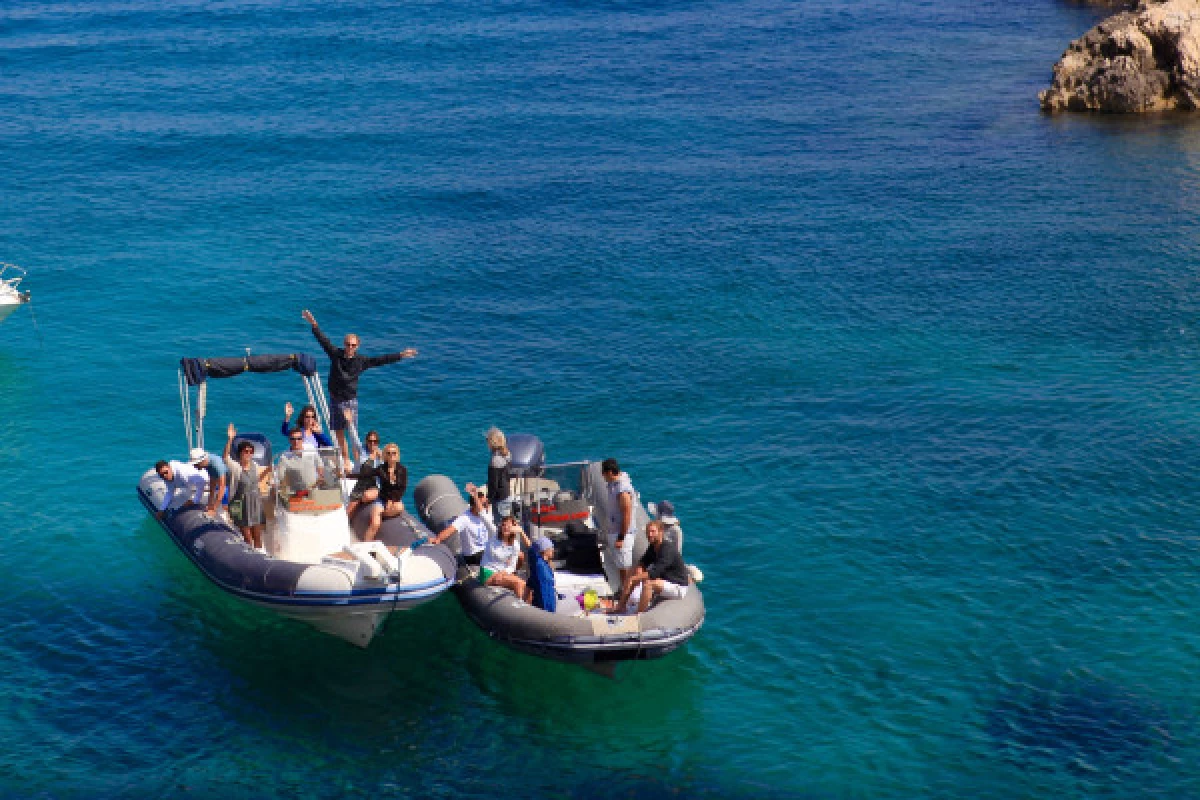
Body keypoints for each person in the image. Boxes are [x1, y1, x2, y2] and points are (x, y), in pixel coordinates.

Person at [301, 309, 417, 471]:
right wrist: (314, 324)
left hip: (350, 402)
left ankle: (358, 464)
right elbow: (323, 341)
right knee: (339, 433)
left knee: (352, 433)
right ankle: (346, 460)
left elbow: (380, 360)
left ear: (357, 346)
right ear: (344, 344)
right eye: (348, 344)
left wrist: (401, 355)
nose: (350, 347)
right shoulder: (336, 355)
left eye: (353, 345)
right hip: (335, 399)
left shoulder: (361, 361)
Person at [617, 520, 690, 613]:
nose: (649, 535)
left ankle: (638, 615)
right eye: (648, 532)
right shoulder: (653, 546)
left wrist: (633, 578)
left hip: (677, 585)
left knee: (648, 585)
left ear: (661, 532)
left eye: (653, 532)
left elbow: (655, 572)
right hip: (664, 581)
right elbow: (644, 561)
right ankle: (621, 606)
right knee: (634, 571)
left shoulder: (667, 549)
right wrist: (639, 569)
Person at [223, 423, 271, 551]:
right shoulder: (236, 467)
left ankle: (261, 556)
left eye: (251, 452)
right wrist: (230, 439)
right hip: (241, 505)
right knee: (248, 537)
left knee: (257, 535)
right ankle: (251, 555)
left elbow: (257, 479)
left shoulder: (255, 465)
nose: (248, 454)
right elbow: (225, 457)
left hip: (255, 504)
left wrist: (270, 470)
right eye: (246, 452)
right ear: (240, 453)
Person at [432, 483, 494, 566]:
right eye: (483, 504)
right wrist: (438, 539)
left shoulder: (486, 513)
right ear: (474, 506)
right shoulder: (465, 518)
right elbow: (450, 530)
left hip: (485, 550)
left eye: (486, 503)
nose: (485, 506)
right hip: (474, 555)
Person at [601, 457, 638, 588]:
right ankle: (623, 590)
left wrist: (621, 537)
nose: (602, 476)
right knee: (620, 564)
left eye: (604, 473)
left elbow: (627, 514)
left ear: (610, 472)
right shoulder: (613, 484)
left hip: (622, 534)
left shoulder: (622, 491)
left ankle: (626, 593)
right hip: (614, 529)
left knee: (624, 567)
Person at [478, 514, 530, 602]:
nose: (505, 527)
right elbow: (483, 515)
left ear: (514, 529)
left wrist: (521, 532)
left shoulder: (515, 544)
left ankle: (529, 609)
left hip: (501, 572)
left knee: (526, 586)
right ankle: (521, 608)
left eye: (509, 526)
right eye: (503, 525)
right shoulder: (493, 534)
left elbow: (512, 566)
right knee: (518, 583)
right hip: (488, 572)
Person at [362, 443, 407, 542]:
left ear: (397, 455)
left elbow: (402, 489)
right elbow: (366, 474)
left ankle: (382, 515)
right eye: (389, 453)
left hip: (395, 499)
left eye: (394, 453)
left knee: (400, 507)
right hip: (382, 499)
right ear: (385, 455)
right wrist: (345, 475)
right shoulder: (381, 469)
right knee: (375, 524)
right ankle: (366, 545)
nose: (391, 456)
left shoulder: (402, 470)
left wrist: (392, 500)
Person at [189, 447, 227, 516]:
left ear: (202, 460)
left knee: (226, 505)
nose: (195, 466)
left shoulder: (217, 465)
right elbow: (212, 483)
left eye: (196, 464)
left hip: (231, 479)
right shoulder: (207, 464)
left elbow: (222, 487)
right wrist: (210, 503)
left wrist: (214, 509)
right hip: (221, 477)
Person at [485, 427, 511, 525]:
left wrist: (488, 500)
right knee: (506, 522)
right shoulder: (507, 454)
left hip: (499, 499)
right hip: (506, 494)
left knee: (500, 525)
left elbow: (493, 485)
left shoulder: (495, 461)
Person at [526, 535, 557, 612]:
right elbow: (531, 550)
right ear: (545, 550)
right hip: (543, 606)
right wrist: (521, 532)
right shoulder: (539, 564)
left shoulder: (547, 565)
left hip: (550, 605)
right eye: (551, 548)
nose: (553, 550)